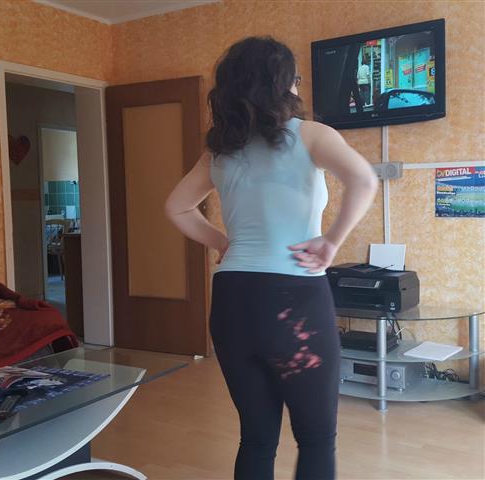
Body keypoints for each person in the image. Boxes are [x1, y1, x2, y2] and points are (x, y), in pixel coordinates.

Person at [164, 36, 378, 480]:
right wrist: (331, 242)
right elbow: (364, 179)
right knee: (316, 438)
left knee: (257, 438)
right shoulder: (312, 134)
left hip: (232, 300)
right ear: (284, 83)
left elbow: (177, 208)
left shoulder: (219, 151)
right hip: (293, 300)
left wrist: (223, 243)